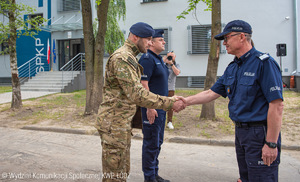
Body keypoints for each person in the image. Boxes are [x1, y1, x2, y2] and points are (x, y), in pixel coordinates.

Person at [183, 20, 284, 182]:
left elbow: (277, 105)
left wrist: (271, 143)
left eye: (227, 38)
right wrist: (185, 101)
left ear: (242, 37)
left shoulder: (264, 64)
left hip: (260, 134)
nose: (224, 43)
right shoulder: (233, 67)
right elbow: (211, 93)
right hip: (241, 133)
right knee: (245, 178)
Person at [95, 22, 185, 182]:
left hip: (120, 124)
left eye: (152, 40)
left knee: (122, 172)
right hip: (114, 125)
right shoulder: (123, 58)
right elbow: (137, 94)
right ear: (135, 37)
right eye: (148, 39)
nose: (150, 43)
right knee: (115, 176)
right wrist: (169, 103)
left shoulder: (130, 57)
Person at [138, 29, 170, 182]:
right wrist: (149, 107)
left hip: (161, 110)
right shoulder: (147, 59)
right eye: (160, 40)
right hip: (152, 110)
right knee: (151, 144)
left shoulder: (158, 59)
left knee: (157, 143)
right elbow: (144, 85)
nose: (164, 42)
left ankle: (154, 174)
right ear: (151, 42)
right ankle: (149, 178)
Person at [164, 51, 180, 129]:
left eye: (172, 56)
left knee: (170, 105)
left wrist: (171, 64)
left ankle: (169, 122)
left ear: (175, 57)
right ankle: (161, 120)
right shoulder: (163, 64)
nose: (170, 58)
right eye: (169, 56)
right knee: (161, 104)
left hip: (170, 88)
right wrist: (163, 61)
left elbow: (177, 72)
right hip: (162, 87)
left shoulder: (176, 64)